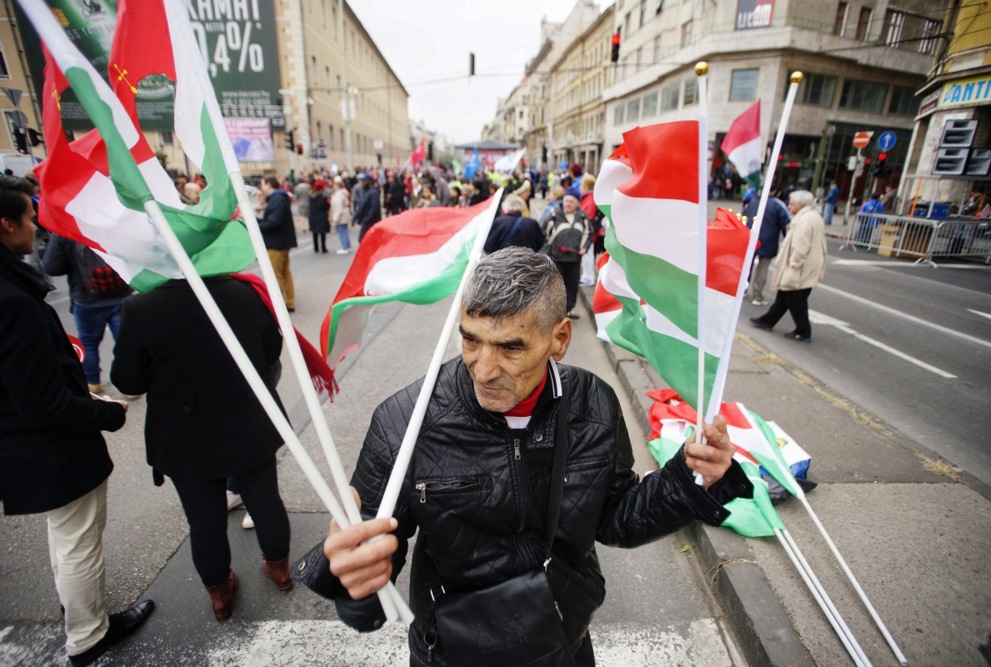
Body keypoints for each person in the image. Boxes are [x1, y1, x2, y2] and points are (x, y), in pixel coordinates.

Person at [311, 247, 751, 666]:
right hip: (451, 652)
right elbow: (367, 571)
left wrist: (691, 479)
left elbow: (615, 517)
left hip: (559, 637)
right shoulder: (403, 423)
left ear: (559, 339)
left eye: (510, 347)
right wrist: (354, 582)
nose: (484, 370)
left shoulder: (594, 404)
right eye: (470, 340)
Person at [0, 175, 153, 666]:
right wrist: (106, 412)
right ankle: (88, 634)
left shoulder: (12, 288)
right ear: (6, 225)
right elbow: (43, 404)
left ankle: (81, 613)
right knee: (78, 541)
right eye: (29, 218)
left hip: (30, 442)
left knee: (66, 536)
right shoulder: (12, 302)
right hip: (49, 448)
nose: (36, 227)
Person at [110, 275, 293, 621]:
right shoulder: (243, 292)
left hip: (186, 430)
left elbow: (128, 379)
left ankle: (220, 594)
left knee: (204, 520)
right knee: (265, 501)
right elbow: (271, 350)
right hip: (246, 418)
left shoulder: (141, 306)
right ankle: (279, 569)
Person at [43, 234, 134, 394]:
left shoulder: (65, 228)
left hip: (86, 297)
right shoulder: (108, 221)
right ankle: (131, 386)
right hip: (121, 294)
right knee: (125, 340)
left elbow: (52, 266)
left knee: (88, 342)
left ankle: (93, 382)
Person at [750, 190, 828, 342]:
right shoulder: (813, 216)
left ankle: (803, 331)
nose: (789, 206)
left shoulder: (804, 220)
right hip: (809, 264)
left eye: (792, 203)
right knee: (785, 296)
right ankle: (768, 320)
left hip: (801, 267)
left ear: (801, 204)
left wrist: (794, 265)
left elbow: (800, 247)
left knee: (795, 298)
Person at [543, 187, 591, 319]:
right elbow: (544, 231)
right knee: (556, 285)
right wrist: (548, 248)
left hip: (574, 258)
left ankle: (568, 310)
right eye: (566, 201)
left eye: (572, 201)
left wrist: (584, 247)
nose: (568, 204)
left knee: (572, 285)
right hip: (557, 257)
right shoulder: (554, 214)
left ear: (577, 203)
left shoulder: (582, 216)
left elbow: (588, 232)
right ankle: (555, 312)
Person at [745, 184, 791, 307]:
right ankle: (757, 295)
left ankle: (743, 290)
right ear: (774, 191)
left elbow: (744, 217)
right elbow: (787, 224)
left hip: (750, 239)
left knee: (746, 267)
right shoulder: (777, 205)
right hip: (768, 241)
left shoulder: (752, 202)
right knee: (762, 269)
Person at [259, 176, 297, 312]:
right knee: (285, 273)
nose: (262, 188)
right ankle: (289, 302)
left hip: (276, 243)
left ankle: (279, 305)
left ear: (269, 184)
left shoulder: (276, 199)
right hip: (282, 241)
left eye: (263, 184)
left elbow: (274, 222)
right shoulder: (280, 198)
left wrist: (257, 226)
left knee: (276, 275)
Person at [352, 173, 382, 243]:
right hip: (365, 220)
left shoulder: (373, 193)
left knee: (364, 239)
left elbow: (374, 208)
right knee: (364, 239)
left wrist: (367, 219)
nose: (362, 183)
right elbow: (360, 207)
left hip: (372, 221)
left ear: (369, 181)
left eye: (364, 181)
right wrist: (355, 218)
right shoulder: (364, 192)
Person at [308, 179, 331, 253]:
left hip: (313, 216)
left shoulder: (311, 197)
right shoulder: (323, 198)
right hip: (321, 216)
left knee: (315, 233)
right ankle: (323, 247)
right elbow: (326, 206)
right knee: (322, 233)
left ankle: (316, 247)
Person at [331, 177, 352, 254]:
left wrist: (335, 219)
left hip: (341, 215)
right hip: (344, 213)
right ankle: (347, 245)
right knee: (344, 231)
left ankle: (344, 247)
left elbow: (338, 208)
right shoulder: (343, 193)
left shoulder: (338, 195)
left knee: (342, 231)